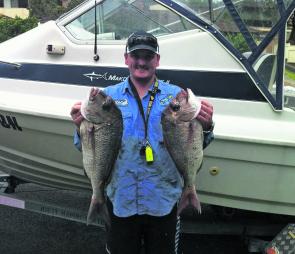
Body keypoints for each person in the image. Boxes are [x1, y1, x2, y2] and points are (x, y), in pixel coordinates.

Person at [70, 31, 214, 254]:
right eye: (136, 56)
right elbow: (86, 148)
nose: (141, 62)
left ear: (157, 60)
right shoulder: (107, 97)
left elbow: (193, 148)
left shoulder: (176, 97)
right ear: (126, 58)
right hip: (121, 199)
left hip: (163, 199)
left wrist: (206, 126)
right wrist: (81, 128)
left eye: (148, 56)